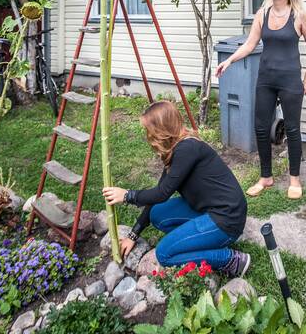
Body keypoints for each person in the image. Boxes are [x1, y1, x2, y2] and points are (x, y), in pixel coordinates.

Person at [102, 100, 249, 277]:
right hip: (208, 210)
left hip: (226, 219)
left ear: (161, 129)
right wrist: (133, 234)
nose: (147, 134)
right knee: (157, 214)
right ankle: (200, 240)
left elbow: (162, 193)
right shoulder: (178, 148)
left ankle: (230, 259)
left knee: (164, 254)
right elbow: (160, 192)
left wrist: (127, 195)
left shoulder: (187, 149)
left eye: (149, 129)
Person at [215, 0, 306, 200]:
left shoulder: (299, 16)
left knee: (292, 129)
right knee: (261, 127)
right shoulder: (262, 14)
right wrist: (230, 60)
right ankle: (266, 177)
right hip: (266, 80)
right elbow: (250, 44)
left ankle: (294, 179)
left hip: (290, 80)